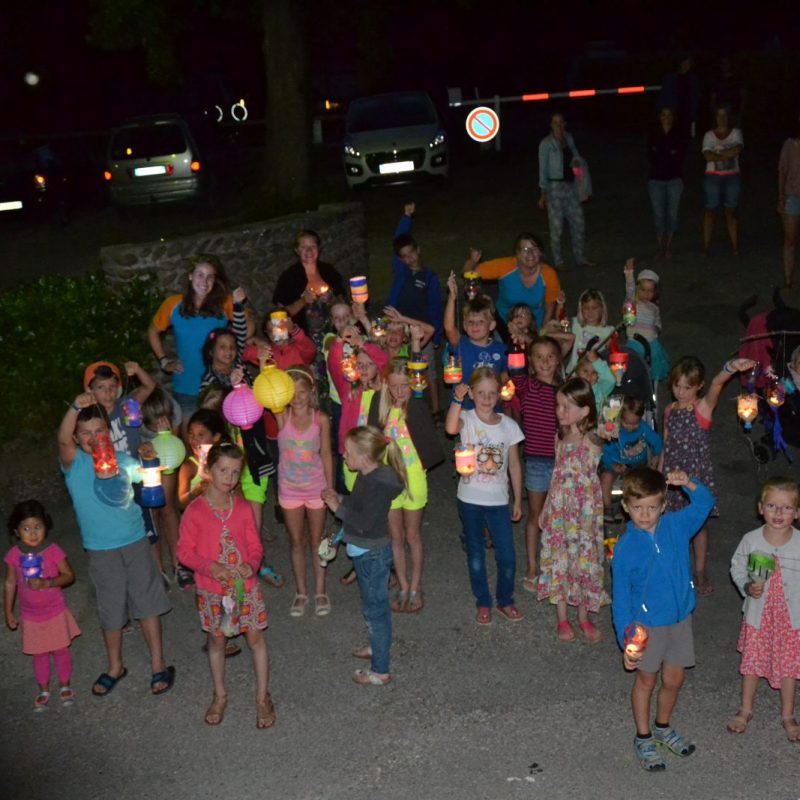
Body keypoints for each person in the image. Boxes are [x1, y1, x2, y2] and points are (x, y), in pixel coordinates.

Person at [58, 396, 174, 697]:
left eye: (100, 431)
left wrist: (150, 460)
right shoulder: (75, 465)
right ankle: (114, 666)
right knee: (111, 609)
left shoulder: (124, 462)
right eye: (86, 433)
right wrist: (74, 408)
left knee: (147, 603)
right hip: (100, 549)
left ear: (108, 433)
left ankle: (158, 664)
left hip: (135, 541)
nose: (94, 438)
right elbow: (61, 439)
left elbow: (150, 478)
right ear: (76, 438)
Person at [611, 467, 715, 772]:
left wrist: (689, 484)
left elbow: (705, 504)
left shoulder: (676, 527)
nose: (645, 515)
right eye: (638, 508)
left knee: (674, 679)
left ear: (664, 505)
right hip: (646, 628)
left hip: (680, 620)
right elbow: (621, 600)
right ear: (625, 506)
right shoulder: (625, 549)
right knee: (646, 680)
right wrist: (626, 638)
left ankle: (662, 726)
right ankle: (643, 736)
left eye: (652, 507)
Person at [177, 442, 274, 728]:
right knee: (217, 641)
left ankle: (262, 697)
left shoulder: (242, 508)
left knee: (255, 638)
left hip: (246, 588)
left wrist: (252, 564)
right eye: (223, 470)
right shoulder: (195, 511)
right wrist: (210, 567)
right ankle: (219, 695)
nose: (229, 478)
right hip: (212, 590)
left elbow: (255, 546)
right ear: (208, 470)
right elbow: (184, 552)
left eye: (235, 472)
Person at [660, 356, 756, 596]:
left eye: (687, 387)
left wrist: (730, 368)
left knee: (698, 526)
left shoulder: (702, 408)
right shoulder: (669, 410)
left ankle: (700, 572)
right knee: (671, 523)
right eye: (676, 386)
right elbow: (666, 444)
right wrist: (659, 474)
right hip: (671, 474)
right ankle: (675, 570)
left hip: (694, 476)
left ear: (698, 386)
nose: (680, 392)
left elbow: (717, 385)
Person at [321, 426, 406, 687]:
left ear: (365, 457)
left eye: (348, 453)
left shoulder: (377, 485)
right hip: (366, 552)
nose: (344, 456)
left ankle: (379, 670)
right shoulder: (368, 476)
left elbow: (364, 523)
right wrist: (341, 499)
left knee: (375, 610)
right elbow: (358, 505)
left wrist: (337, 509)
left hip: (372, 554)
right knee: (372, 605)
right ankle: (376, 645)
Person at [446, 367, 524, 625]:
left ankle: (505, 599)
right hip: (469, 498)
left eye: (492, 393)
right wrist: (457, 399)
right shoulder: (467, 419)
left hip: (498, 501)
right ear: (472, 393)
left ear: (499, 395)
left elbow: (514, 464)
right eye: (481, 392)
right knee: (476, 555)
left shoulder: (509, 426)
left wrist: (516, 498)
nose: (487, 398)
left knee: (507, 556)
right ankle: (483, 602)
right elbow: (449, 427)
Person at [367, 357, 444, 613]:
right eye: (395, 385)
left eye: (405, 386)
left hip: (413, 478)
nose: (400, 392)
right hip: (388, 480)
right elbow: (371, 441)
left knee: (413, 536)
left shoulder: (417, 406)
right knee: (396, 536)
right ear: (387, 383)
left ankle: (415, 586)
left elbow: (429, 443)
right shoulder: (379, 405)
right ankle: (402, 583)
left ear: (413, 384)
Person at [727, 476, 800, 742]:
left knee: (790, 665)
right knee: (752, 663)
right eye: (772, 506)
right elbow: (736, 566)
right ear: (760, 508)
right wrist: (746, 585)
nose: (779, 513)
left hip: (791, 619)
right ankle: (745, 709)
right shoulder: (752, 540)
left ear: (797, 512)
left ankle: (788, 714)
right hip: (760, 615)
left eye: (787, 507)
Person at [537, 377, 607, 643]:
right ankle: (563, 618)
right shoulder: (560, 438)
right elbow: (556, 475)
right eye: (558, 405)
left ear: (585, 410)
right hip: (559, 512)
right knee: (561, 560)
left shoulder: (592, 440)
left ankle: (583, 617)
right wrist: (545, 507)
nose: (560, 411)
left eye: (567, 406)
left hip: (585, 514)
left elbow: (606, 432)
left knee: (583, 561)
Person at [148, 254, 252, 418]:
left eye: (210, 277)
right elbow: (152, 331)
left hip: (219, 386)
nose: (205, 281)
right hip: (186, 387)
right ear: (190, 276)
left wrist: (233, 350)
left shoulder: (224, 303)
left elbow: (248, 326)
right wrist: (164, 361)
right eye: (200, 275)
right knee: (195, 440)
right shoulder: (173, 304)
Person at [4, 500, 81, 711]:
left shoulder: (52, 550)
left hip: (54, 610)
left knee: (60, 649)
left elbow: (69, 576)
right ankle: (43, 688)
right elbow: (10, 582)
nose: (33, 533)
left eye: (37, 527)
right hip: (30, 615)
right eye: (26, 528)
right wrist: (8, 610)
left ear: (45, 526)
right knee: (39, 653)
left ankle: (65, 684)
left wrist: (47, 582)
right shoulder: (14, 555)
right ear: (17, 531)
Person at [275, 367, 334, 618]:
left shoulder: (319, 419)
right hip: (289, 489)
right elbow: (265, 391)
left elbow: (327, 455)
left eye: (302, 391)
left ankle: (320, 590)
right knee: (296, 541)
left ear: (311, 392)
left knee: (316, 540)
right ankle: (301, 591)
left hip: (316, 488)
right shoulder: (281, 416)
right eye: (293, 392)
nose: (297, 397)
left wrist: (330, 489)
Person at [510, 336, 562, 586]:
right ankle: (532, 566)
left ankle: (555, 564)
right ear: (530, 361)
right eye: (539, 357)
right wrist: (518, 343)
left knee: (558, 516)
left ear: (558, 361)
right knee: (536, 515)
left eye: (550, 356)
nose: (544, 362)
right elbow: (515, 370)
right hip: (536, 462)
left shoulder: (564, 390)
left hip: (562, 462)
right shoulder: (527, 386)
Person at [387, 202, 444, 416]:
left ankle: (436, 409)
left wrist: (436, 335)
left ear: (418, 251)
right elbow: (397, 240)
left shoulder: (429, 277)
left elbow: (436, 307)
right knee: (401, 366)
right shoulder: (401, 271)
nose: (409, 259)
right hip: (399, 327)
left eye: (412, 253)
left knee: (428, 369)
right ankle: (405, 407)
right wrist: (406, 218)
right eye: (404, 256)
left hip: (422, 329)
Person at [464, 235, 561, 328]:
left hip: (534, 327)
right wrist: (472, 261)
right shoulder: (506, 266)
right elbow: (469, 274)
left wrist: (541, 335)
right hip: (503, 325)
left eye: (534, 249)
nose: (530, 253)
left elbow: (549, 310)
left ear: (540, 252)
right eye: (525, 249)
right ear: (517, 253)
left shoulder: (549, 274)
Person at [443, 273, 508, 410]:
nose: (475, 326)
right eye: (470, 322)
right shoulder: (461, 344)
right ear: (465, 326)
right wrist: (452, 297)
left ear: (491, 325)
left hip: (490, 408)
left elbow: (506, 374)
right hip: (463, 407)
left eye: (480, 322)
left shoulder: (501, 349)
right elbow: (449, 328)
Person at [537, 113, 593, 269]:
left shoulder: (569, 139)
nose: (558, 126)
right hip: (554, 187)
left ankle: (580, 257)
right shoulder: (546, 144)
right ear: (551, 125)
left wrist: (580, 176)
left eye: (561, 122)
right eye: (555, 123)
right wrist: (543, 193)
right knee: (556, 226)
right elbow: (543, 170)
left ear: (565, 124)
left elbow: (576, 157)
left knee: (578, 221)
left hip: (571, 186)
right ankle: (558, 260)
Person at [272, 230, 345, 342]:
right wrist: (303, 301)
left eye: (312, 246)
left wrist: (332, 300)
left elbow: (343, 302)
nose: (309, 250)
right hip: (303, 339)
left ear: (318, 248)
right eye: (303, 247)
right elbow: (281, 315)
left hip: (334, 335)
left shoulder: (329, 271)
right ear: (297, 250)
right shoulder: (289, 277)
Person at [600, 394, 663, 522]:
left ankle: (635, 508)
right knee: (605, 477)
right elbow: (605, 452)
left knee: (642, 483)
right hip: (617, 463)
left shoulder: (643, 428)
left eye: (636, 423)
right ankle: (607, 508)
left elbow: (657, 441)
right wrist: (612, 465)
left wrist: (656, 456)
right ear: (619, 418)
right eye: (627, 423)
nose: (632, 427)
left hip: (638, 466)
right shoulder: (614, 431)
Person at [83, 360, 156, 455]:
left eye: (112, 386)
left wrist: (137, 369)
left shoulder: (126, 406)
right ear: (90, 390)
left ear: (118, 388)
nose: (108, 392)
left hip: (135, 465)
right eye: (101, 387)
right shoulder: (88, 418)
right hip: (107, 467)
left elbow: (149, 386)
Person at [702, 105, 744, 256]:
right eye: (719, 115)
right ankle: (706, 247)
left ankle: (735, 247)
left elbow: (738, 149)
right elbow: (707, 156)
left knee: (731, 212)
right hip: (712, 176)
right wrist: (727, 154)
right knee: (710, 211)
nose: (722, 118)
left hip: (732, 176)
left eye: (725, 115)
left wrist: (717, 154)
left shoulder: (736, 133)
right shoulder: (708, 135)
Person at [647, 107, 687, 260]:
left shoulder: (678, 134)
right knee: (658, 214)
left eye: (669, 115)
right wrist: (667, 153)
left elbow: (680, 156)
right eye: (663, 115)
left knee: (672, 214)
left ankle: (668, 246)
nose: (666, 118)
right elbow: (651, 155)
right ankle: (660, 247)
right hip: (656, 180)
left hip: (674, 180)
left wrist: (665, 154)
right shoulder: (654, 134)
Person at [624, 260, 670, 382]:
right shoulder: (633, 303)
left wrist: (657, 328)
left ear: (655, 293)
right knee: (633, 367)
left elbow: (658, 323)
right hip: (635, 341)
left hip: (651, 343)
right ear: (637, 289)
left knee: (652, 370)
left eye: (650, 291)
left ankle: (651, 387)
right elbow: (630, 289)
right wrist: (629, 273)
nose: (646, 294)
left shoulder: (654, 308)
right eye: (643, 290)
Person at [566, 288, 615, 373]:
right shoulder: (576, 324)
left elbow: (613, 353)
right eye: (586, 308)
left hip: (594, 376)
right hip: (573, 374)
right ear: (581, 309)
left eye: (594, 308)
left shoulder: (608, 330)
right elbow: (560, 324)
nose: (590, 312)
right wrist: (560, 304)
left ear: (601, 309)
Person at [777, 116, 800, 288]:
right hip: (792, 196)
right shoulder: (790, 145)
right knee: (790, 239)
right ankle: (788, 280)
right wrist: (781, 199)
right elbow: (782, 172)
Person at [658, 54, 700, 141]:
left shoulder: (693, 79)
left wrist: (694, 112)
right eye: (685, 62)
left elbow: (695, 96)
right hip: (673, 111)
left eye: (689, 63)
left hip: (687, 112)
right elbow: (664, 95)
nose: (687, 65)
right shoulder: (670, 77)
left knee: (684, 137)